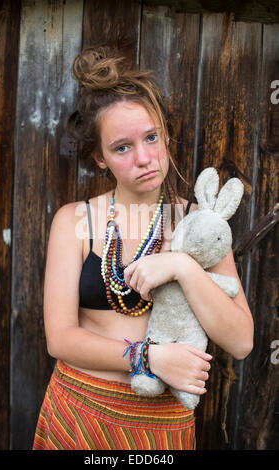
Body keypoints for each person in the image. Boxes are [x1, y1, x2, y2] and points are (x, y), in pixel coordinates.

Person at [32, 45, 254, 451]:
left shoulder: (200, 225)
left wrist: (182, 267)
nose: (145, 158)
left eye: (152, 137)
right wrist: (146, 357)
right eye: (122, 147)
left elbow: (240, 340)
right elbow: (59, 338)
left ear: (165, 135)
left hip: (160, 426)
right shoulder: (74, 221)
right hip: (80, 410)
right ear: (100, 158)